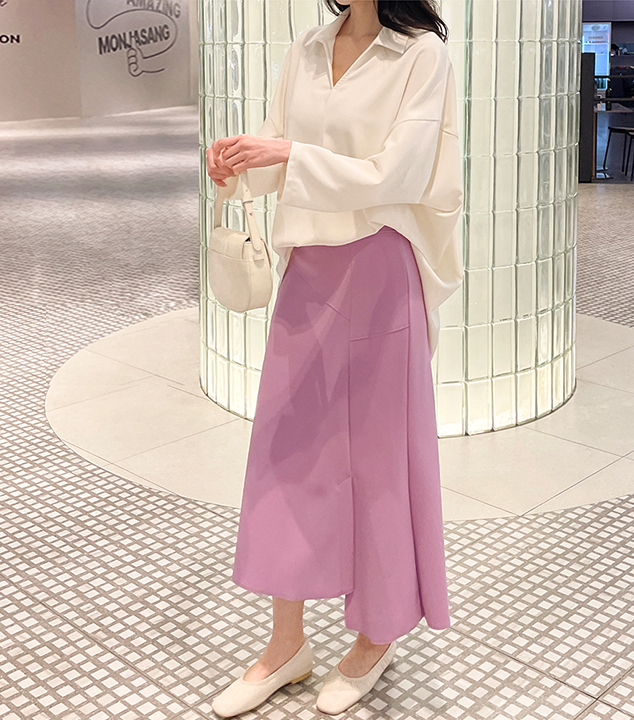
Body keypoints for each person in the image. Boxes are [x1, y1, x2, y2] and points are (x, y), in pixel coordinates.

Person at [205, 0, 464, 715]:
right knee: (284, 456)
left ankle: (376, 637)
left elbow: (399, 172)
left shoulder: (421, 54)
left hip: (380, 268)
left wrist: (286, 155)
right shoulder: (308, 48)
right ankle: (285, 644)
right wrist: (238, 164)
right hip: (308, 272)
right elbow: (276, 146)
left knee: (378, 462)